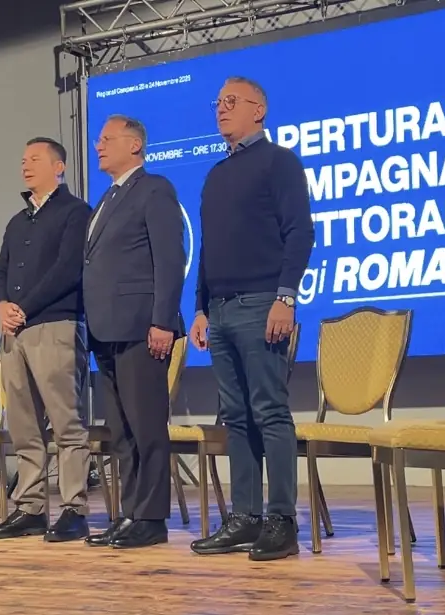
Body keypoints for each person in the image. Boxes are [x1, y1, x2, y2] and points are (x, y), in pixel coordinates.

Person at [188, 77, 315, 561]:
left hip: (262, 303)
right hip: (219, 311)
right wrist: (200, 308)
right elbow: (208, 250)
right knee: (235, 417)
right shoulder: (215, 175)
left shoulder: (279, 161)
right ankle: (245, 517)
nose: (221, 109)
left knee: (270, 412)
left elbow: (299, 232)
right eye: (217, 102)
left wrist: (286, 297)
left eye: (231, 101)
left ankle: (281, 519)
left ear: (258, 109)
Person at [82, 115, 185, 549]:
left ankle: (152, 518)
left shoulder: (154, 189)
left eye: (107, 139)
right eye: (98, 139)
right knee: (121, 432)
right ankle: (129, 513)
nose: (99, 145)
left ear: (135, 145)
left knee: (146, 428)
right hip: (106, 329)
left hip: (142, 327)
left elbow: (169, 259)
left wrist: (162, 321)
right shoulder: (108, 197)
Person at [0, 137, 93, 542]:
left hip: (55, 325)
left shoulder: (75, 212)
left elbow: (67, 270)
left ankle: (74, 508)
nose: (25, 166)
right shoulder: (18, 220)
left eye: (34, 159)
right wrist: (1, 305)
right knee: (24, 425)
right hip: (15, 331)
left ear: (58, 167)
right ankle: (30, 507)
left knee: (66, 422)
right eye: (23, 160)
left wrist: (23, 307)